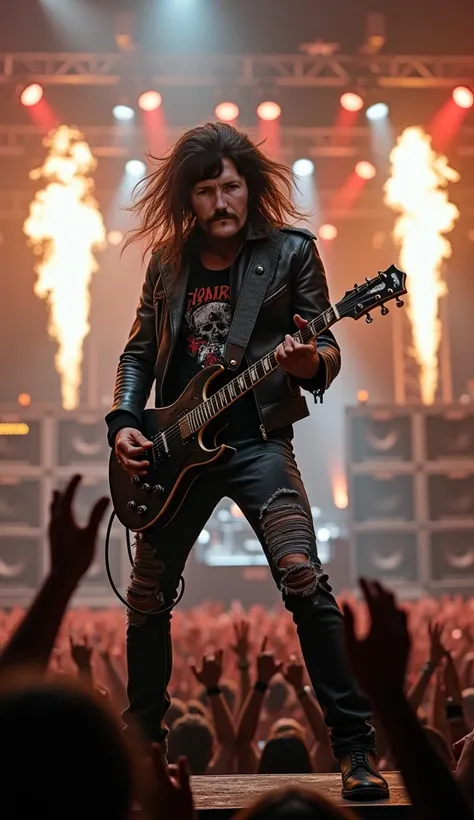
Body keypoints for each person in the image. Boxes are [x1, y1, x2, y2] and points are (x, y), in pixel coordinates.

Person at [105, 121, 388, 800]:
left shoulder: (292, 254)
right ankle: (144, 749)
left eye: (230, 186)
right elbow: (139, 352)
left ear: (249, 187)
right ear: (189, 199)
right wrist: (124, 423)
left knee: (303, 578)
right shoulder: (169, 262)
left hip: (258, 442)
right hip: (174, 450)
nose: (221, 201)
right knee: (146, 598)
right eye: (206, 191)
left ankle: (354, 748)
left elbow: (328, 352)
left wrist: (307, 359)